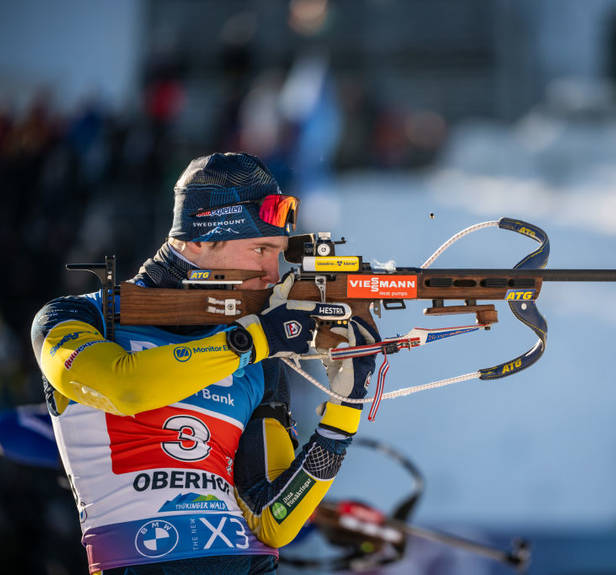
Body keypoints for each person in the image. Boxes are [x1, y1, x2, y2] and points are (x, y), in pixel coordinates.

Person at [30, 152, 379, 574]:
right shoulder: (76, 319)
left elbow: (273, 521)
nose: (273, 272)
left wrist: (344, 413)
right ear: (199, 239)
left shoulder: (258, 359)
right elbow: (125, 388)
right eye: (261, 249)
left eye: (279, 252)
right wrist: (257, 338)